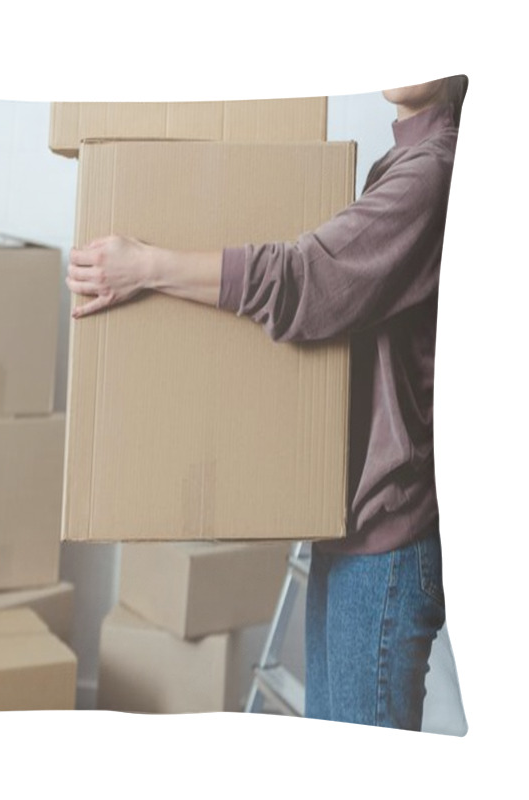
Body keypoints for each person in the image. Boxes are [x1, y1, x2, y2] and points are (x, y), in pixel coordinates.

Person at [65, 76, 467, 731]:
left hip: (388, 539)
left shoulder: (432, 171)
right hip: (355, 527)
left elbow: (312, 283)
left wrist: (147, 266)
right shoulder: (400, 161)